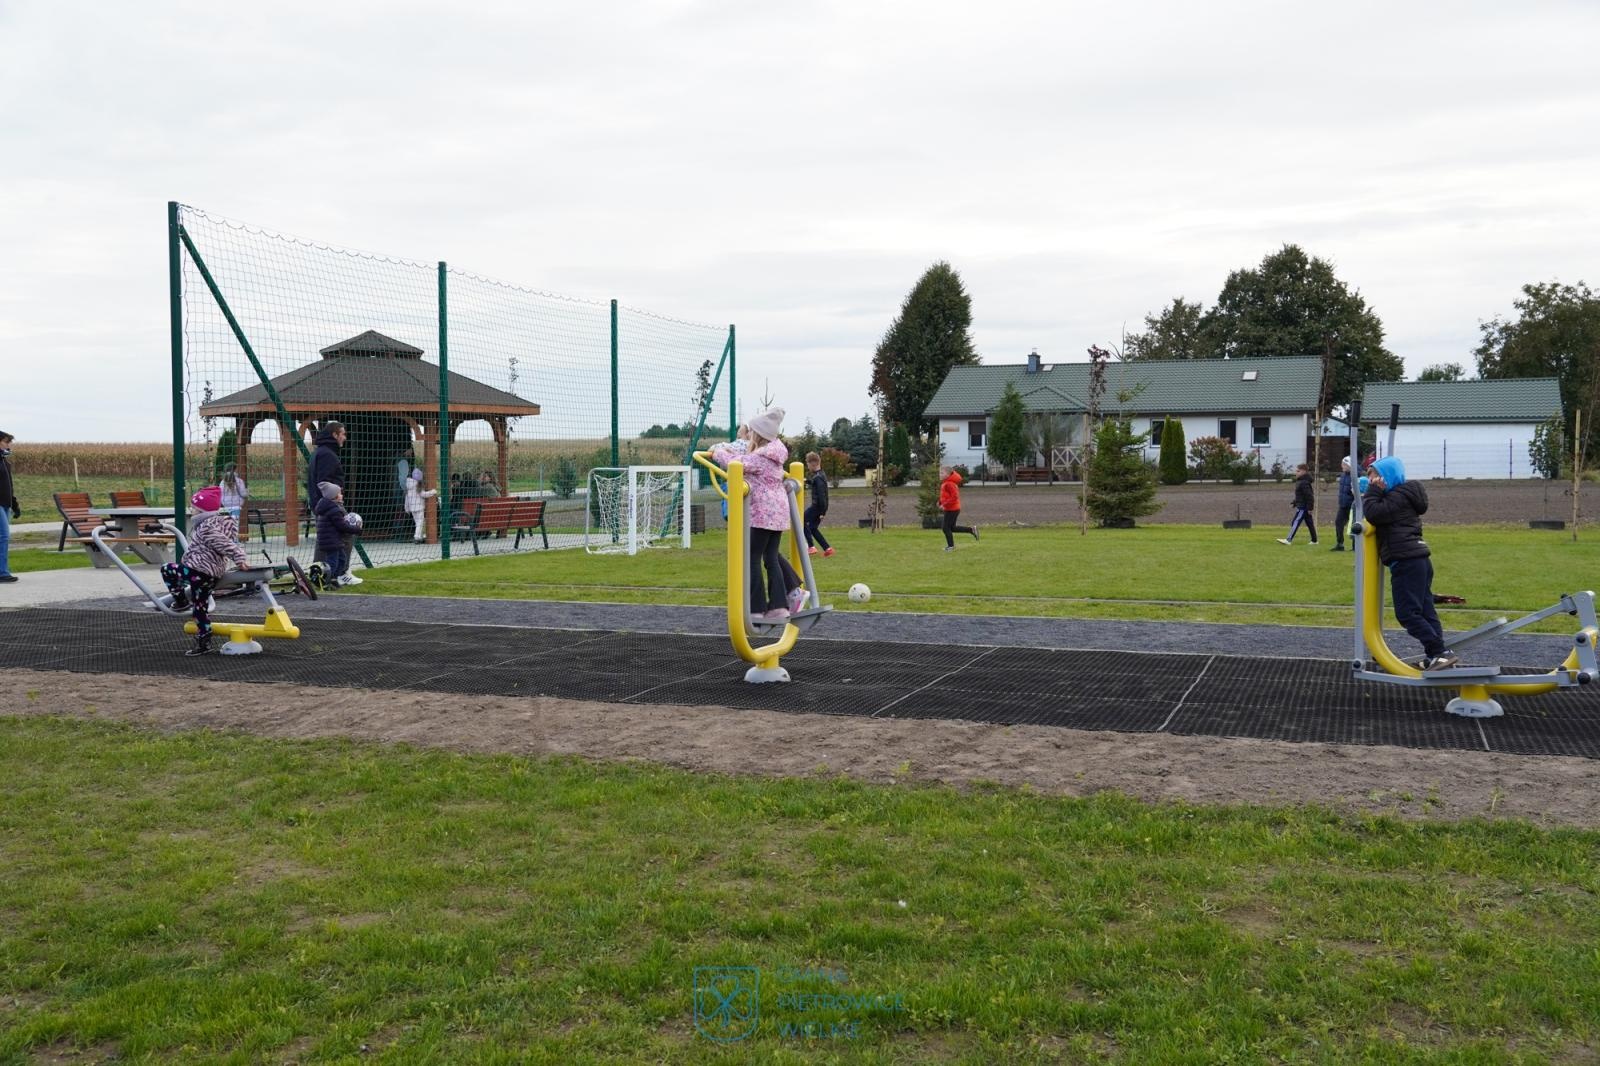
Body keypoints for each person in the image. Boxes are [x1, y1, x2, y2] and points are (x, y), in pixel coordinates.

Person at [1363, 455, 1458, 670]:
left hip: (1406, 561)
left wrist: (1373, 492)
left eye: (1373, 475)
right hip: (1417, 559)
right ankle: (1437, 655)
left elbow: (1374, 513)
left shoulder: (1396, 497)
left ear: (1386, 478)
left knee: (1407, 613)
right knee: (1425, 611)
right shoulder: (1403, 496)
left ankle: (1439, 652)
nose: (1369, 480)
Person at [711, 425, 807, 616]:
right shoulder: (774, 454)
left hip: (762, 513)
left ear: (757, 435)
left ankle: (756, 609)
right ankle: (780, 605)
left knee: (751, 558)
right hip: (778, 513)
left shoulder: (760, 457)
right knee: (771, 556)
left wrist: (716, 452)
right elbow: (741, 454)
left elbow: (734, 463)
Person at [159, 486, 248, 655]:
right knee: (200, 607)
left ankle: (180, 601)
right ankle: (203, 642)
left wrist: (240, 558)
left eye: (193, 508)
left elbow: (224, 543)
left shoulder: (207, 527)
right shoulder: (214, 523)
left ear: (201, 510)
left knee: (167, 569)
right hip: (210, 574)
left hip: (199, 571)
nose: (191, 510)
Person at [306, 421, 359, 584]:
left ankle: (319, 575)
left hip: (321, 504)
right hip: (330, 503)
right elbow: (324, 483)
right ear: (334, 435)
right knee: (346, 533)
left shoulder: (320, 452)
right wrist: (336, 497)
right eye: (342, 433)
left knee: (325, 539)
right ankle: (341, 573)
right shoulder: (327, 454)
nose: (344, 437)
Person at [311, 481, 364, 589]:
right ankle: (326, 582)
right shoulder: (334, 510)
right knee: (333, 562)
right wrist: (356, 530)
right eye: (340, 493)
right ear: (334, 496)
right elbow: (342, 526)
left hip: (333, 540)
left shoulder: (328, 507)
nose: (342, 495)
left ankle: (334, 578)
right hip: (331, 541)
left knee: (342, 559)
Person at [1276, 463, 1319, 546]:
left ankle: (1288, 540)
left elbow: (1309, 496)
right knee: (1310, 524)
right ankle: (1314, 540)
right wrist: (1295, 503)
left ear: (1304, 472)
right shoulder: (1301, 482)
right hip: (1303, 506)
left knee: (1295, 522)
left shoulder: (1304, 483)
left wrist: (1310, 508)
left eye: (1298, 471)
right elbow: (1300, 496)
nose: (1296, 472)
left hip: (1303, 508)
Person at [938, 465, 979, 551]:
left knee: (945, 528)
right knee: (952, 528)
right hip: (951, 509)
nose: (940, 474)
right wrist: (940, 502)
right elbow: (946, 496)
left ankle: (951, 547)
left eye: (942, 473)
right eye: (940, 473)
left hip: (952, 509)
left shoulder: (949, 483)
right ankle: (971, 530)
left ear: (948, 474)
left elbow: (954, 497)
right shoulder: (946, 482)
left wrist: (944, 504)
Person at [803, 451, 833, 557]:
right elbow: (816, 484)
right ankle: (827, 548)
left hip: (817, 507)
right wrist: (807, 481)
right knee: (812, 528)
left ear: (812, 463)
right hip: (820, 507)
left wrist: (822, 512)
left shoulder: (818, 477)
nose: (808, 467)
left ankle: (811, 547)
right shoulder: (820, 475)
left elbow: (822, 496)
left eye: (807, 464)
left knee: (801, 520)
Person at [0, 430, 18, 584]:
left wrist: (15, 503)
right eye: (6, 442)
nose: (8, 445)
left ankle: (3, 571)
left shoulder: (5, 461)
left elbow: (9, 485)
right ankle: (2, 573)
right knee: (3, 536)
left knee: (3, 538)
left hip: (5, 504)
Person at [404, 468, 437, 543]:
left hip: (412, 508)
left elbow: (406, 499)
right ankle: (417, 537)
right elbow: (423, 494)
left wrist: (406, 508)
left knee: (417, 523)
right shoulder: (417, 485)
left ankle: (420, 536)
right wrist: (432, 492)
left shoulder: (408, 487)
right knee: (420, 522)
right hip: (419, 507)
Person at [1331, 456, 1354, 551]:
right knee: (1338, 523)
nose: (1342, 466)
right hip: (1343, 505)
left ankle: (1355, 546)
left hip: (1352, 506)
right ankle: (1340, 544)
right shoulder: (1343, 475)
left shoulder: (1357, 475)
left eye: (1344, 464)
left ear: (1349, 465)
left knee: (1354, 525)